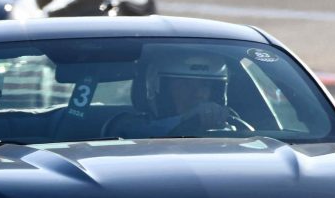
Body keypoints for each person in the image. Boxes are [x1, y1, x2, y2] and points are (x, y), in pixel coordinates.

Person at [104, 49, 251, 138]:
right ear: (156, 87)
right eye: (185, 85)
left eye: (205, 85)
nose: (198, 94)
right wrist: (187, 120)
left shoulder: (232, 128)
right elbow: (141, 132)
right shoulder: (126, 126)